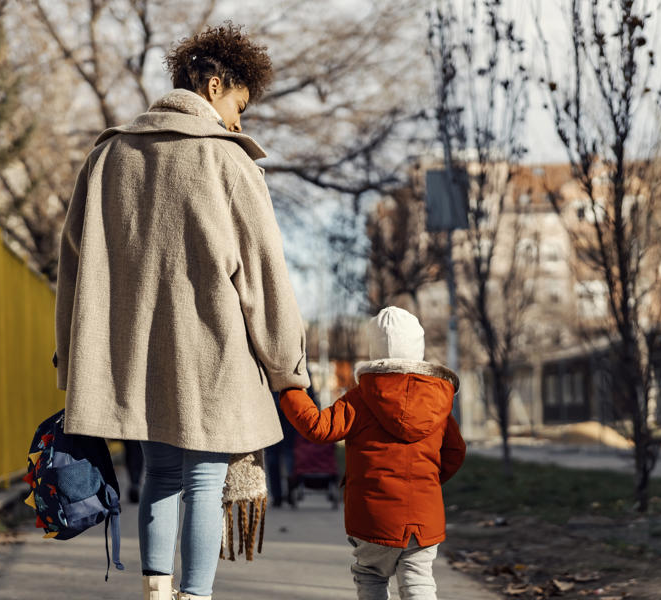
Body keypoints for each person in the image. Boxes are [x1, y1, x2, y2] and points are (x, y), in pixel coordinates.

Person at [53, 22, 309, 600]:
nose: (240, 123)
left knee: (160, 477)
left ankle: (158, 593)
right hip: (210, 352)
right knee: (204, 479)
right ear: (215, 85)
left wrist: (71, 362)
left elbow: (72, 269)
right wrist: (286, 366)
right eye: (238, 106)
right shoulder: (227, 161)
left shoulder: (106, 156)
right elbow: (264, 274)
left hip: (130, 356)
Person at [279, 307, 466, 600]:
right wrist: (427, 481)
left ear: (374, 350)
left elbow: (318, 428)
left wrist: (290, 390)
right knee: (418, 579)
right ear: (419, 347)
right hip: (424, 514)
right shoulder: (437, 401)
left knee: (371, 575)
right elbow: (455, 452)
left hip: (372, 516)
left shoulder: (360, 398)